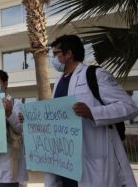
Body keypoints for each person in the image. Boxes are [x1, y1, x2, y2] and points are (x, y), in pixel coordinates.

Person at [45, 34, 138, 187]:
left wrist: (93, 113)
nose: (53, 59)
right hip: (65, 161)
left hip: (93, 160)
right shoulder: (58, 82)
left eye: (56, 54)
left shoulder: (95, 74)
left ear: (69, 54)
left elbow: (130, 107)